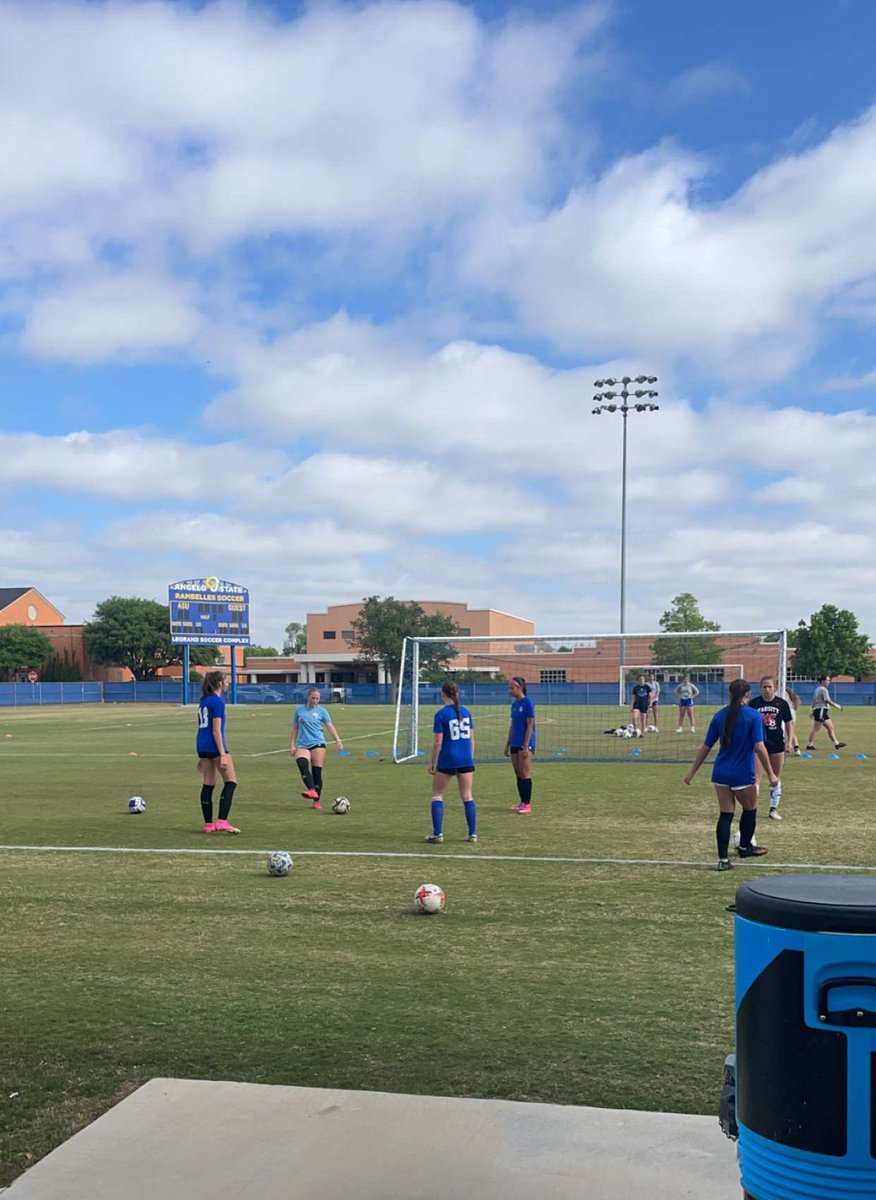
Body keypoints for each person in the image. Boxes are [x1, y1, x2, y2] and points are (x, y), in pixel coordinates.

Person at [684, 678, 778, 871]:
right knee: (750, 809)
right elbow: (759, 747)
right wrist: (771, 774)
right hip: (742, 773)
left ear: (729, 694)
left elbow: (706, 747)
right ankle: (745, 847)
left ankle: (723, 860)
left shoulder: (719, 716)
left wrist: (691, 773)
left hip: (720, 773)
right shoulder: (753, 716)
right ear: (748, 695)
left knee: (725, 814)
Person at [426, 680, 477, 844]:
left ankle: (438, 833)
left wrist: (432, 762)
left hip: (448, 758)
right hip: (465, 758)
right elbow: (471, 738)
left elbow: (438, 742)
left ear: (443, 695)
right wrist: (470, 757)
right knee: (467, 796)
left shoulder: (441, 715)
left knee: (437, 795)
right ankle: (472, 834)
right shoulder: (466, 712)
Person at [196, 671, 240, 833]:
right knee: (231, 782)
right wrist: (222, 754)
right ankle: (222, 821)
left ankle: (208, 824)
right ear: (220, 683)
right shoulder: (217, 702)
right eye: (226, 681)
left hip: (202, 745)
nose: (228, 683)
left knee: (208, 784)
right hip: (214, 746)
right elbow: (216, 730)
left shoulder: (204, 701)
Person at [290, 687, 345, 810]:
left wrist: (338, 740)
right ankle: (311, 790)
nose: (315, 700)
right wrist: (292, 745)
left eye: (317, 698)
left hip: (318, 743)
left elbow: (329, 726)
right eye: (313, 698)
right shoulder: (299, 711)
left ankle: (316, 801)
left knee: (317, 773)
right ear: (308, 697)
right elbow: (295, 728)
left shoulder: (322, 711)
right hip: (303, 744)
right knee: (302, 764)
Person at [750, 676, 795, 821]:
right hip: (758, 744)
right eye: (764, 687)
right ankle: (751, 808)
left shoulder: (781, 704)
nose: (767, 689)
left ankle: (773, 809)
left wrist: (790, 742)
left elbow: (789, 723)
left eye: (770, 686)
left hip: (776, 745)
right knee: (756, 777)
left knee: (775, 777)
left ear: (774, 687)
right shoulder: (754, 703)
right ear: (760, 687)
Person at [505, 676, 536, 813]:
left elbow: (530, 725)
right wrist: (507, 743)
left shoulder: (528, 703)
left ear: (519, 688)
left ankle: (527, 804)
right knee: (518, 773)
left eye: (511, 688)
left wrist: (526, 745)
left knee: (525, 773)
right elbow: (513, 725)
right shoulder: (514, 705)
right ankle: (522, 802)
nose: (509, 691)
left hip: (525, 744)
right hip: (515, 743)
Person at [805, 675, 846, 752]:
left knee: (830, 727)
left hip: (822, 711)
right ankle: (809, 745)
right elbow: (827, 700)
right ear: (823, 681)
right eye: (828, 680)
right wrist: (837, 706)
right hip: (821, 710)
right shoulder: (823, 689)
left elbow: (813, 700)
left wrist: (812, 709)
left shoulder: (817, 689)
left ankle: (836, 744)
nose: (829, 682)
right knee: (816, 729)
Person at [786, 687, 801, 755]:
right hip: (792, 712)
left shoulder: (779, 692)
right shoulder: (789, 692)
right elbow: (796, 702)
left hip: (785, 712)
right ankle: (796, 749)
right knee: (792, 731)